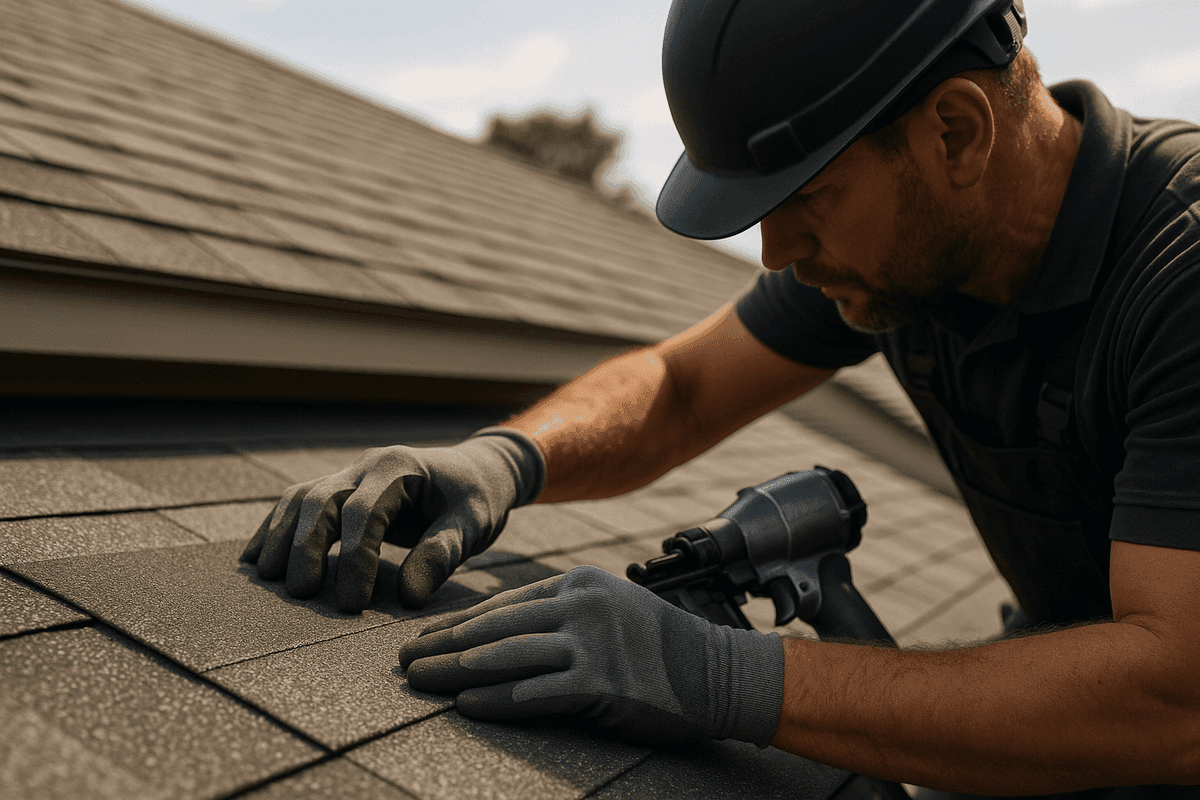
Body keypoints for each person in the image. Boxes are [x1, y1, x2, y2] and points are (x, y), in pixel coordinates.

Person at [241, 0, 1200, 795]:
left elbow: (1173, 697)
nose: (775, 254)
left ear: (955, 130)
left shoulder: (1179, 271)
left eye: (806, 200)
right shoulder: (920, 242)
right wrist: (504, 460)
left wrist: (712, 674)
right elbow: (686, 386)